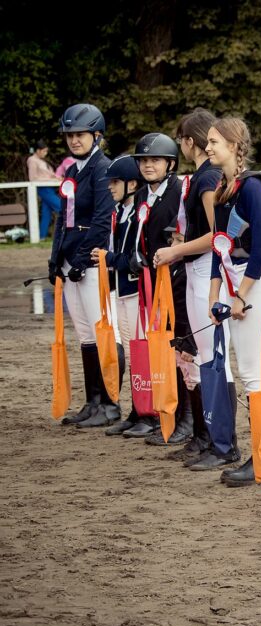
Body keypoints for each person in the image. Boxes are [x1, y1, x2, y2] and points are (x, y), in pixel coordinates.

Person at [153, 108, 240, 469]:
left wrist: (177, 249)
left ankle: (224, 444)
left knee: (212, 356)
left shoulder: (207, 179)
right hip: (197, 268)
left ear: (191, 142)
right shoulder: (204, 175)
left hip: (207, 269)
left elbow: (214, 234)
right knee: (203, 357)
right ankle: (210, 438)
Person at [204, 117, 261, 487]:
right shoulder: (224, 188)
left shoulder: (251, 188)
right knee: (248, 372)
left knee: (254, 375)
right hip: (234, 287)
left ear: (235, 145)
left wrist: (240, 295)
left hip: (254, 287)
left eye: (214, 142)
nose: (208, 148)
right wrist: (213, 293)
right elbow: (220, 246)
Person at [130, 132, 209, 453]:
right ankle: (174, 411)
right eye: (144, 161)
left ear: (170, 163)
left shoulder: (179, 191)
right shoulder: (141, 196)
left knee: (182, 342)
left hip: (177, 277)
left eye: (155, 160)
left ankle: (188, 418)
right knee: (166, 343)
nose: (148, 165)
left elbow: (183, 230)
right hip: (152, 279)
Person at [48, 103, 121, 428]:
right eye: (70, 136)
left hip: (91, 263)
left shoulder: (103, 168)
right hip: (71, 263)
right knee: (84, 335)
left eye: (79, 135)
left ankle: (110, 403)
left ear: (96, 135)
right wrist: (55, 259)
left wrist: (80, 259)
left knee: (102, 330)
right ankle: (92, 402)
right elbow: (64, 219)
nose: (74, 141)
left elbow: (103, 220)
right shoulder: (72, 172)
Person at [91, 155, 155, 437]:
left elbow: (134, 259)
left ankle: (149, 413)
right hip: (122, 290)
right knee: (132, 353)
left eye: (115, 182)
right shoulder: (122, 213)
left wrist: (108, 258)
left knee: (142, 352)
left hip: (137, 291)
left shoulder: (140, 214)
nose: (110, 187)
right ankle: (137, 409)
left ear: (131, 184)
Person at [27, 140, 61, 239]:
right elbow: (32, 178)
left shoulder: (42, 161)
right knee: (63, 208)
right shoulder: (32, 160)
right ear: (38, 150)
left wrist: (56, 178)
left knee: (47, 213)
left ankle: (41, 236)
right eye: (44, 151)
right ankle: (71, 233)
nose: (46, 153)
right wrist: (53, 179)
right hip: (43, 188)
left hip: (49, 188)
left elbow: (48, 175)